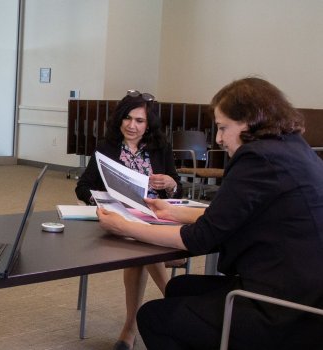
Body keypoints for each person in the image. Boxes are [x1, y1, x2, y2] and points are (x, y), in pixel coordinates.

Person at [97, 77, 323, 349]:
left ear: (249, 121)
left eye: (222, 128)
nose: (218, 139)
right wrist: (170, 212)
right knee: (177, 288)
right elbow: (230, 217)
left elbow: (201, 238)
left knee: (153, 317)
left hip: (283, 309)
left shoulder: (257, 158)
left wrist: (125, 227)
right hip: (308, 295)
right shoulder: (293, 148)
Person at [75, 90, 183, 350]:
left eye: (139, 121)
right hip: (122, 220)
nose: (131, 125)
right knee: (139, 245)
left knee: (139, 247)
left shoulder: (160, 148)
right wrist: (101, 201)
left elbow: (177, 189)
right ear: (120, 119)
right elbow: (83, 187)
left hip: (157, 218)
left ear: (149, 125)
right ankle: (174, 304)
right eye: (127, 118)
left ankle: (131, 328)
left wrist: (170, 184)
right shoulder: (107, 147)